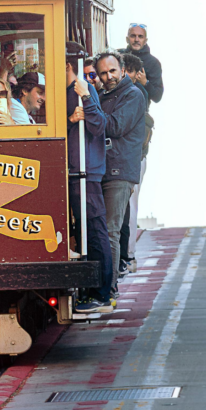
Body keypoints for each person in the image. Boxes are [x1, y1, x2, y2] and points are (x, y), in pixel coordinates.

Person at [95, 52, 146, 295]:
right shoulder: (104, 94)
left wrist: (90, 110)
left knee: (110, 229)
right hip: (104, 169)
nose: (108, 77)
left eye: (112, 71)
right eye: (103, 73)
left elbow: (114, 126)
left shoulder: (133, 94)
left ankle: (110, 287)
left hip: (119, 170)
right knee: (105, 230)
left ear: (123, 69)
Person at [65, 61, 113, 313]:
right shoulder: (63, 91)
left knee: (95, 230)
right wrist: (71, 120)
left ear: (67, 65)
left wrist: (85, 95)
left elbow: (98, 125)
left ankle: (102, 293)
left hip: (88, 172)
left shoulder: (81, 88)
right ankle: (93, 290)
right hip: (74, 171)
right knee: (84, 231)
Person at [116, 54, 155, 274]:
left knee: (130, 206)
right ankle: (127, 255)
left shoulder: (136, 93)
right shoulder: (136, 92)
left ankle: (129, 255)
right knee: (128, 206)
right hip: (134, 157)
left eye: (127, 72)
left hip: (134, 158)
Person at [118, 24, 164, 104]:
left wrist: (145, 83)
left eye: (140, 36)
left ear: (145, 41)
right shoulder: (117, 56)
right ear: (127, 39)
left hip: (139, 110)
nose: (136, 39)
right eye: (133, 36)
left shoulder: (153, 63)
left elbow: (157, 96)